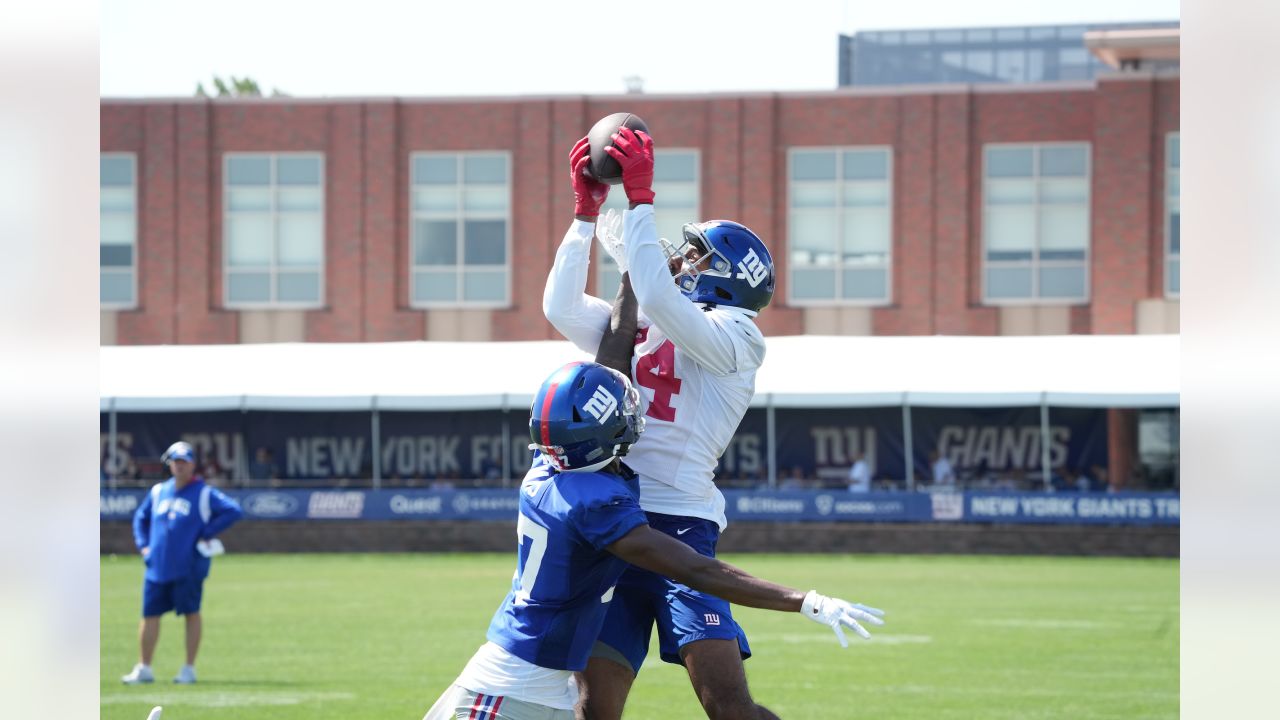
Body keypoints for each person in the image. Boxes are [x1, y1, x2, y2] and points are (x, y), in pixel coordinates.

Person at [424, 362, 884, 720]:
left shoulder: (550, 471)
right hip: (509, 691)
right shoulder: (597, 501)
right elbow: (697, 570)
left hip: (539, 689)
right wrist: (805, 601)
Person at [543, 127, 793, 720]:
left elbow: (656, 293)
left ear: (729, 274)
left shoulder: (738, 336)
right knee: (593, 708)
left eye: (698, 255)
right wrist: (584, 217)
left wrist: (641, 198)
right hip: (618, 521)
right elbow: (559, 307)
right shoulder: (655, 319)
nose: (684, 260)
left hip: (681, 524)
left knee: (729, 706)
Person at [121, 441, 244, 685]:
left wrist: (206, 533)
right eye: (176, 462)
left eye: (185, 462)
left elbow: (233, 511)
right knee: (149, 615)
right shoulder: (158, 491)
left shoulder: (203, 493)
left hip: (188, 567)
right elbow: (140, 518)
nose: (180, 466)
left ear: (193, 465)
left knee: (191, 613)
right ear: (170, 464)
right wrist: (143, 546)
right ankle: (144, 667)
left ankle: (188, 668)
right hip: (157, 566)